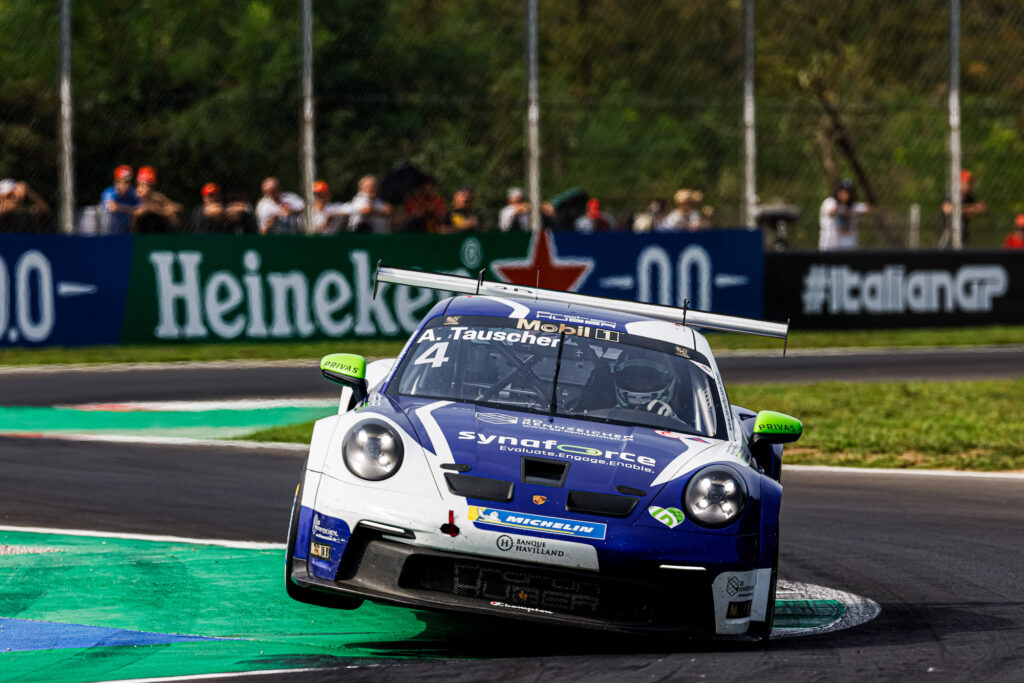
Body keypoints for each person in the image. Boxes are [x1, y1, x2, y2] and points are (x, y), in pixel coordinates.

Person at [612, 350, 677, 416]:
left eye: (649, 383)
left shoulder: (673, 418)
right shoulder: (609, 415)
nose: (640, 388)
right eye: (634, 383)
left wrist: (672, 420)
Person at [818, 178, 872, 251]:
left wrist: (859, 211)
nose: (846, 195)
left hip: (849, 248)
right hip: (829, 247)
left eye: (849, 192)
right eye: (843, 192)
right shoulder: (830, 202)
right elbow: (831, 211)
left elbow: (870, 209)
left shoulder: (854, 206)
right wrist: (850, 213)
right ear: (838, 192)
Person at [940, 169, 987, 247]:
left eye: (969, 183)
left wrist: (971, 209)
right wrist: (971, 209)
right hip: (949, 235)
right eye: (965, 183)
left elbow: (982, 208)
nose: (967, 186)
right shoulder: (951, 196)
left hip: (963, 235)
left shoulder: (969, 197)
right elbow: (947, 209)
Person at [132, 166, 183, 233]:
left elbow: (179, 208)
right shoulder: (133, 197)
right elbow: (133, 222)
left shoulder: (158, 197)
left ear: (152, 187)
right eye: (139, 185)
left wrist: (163, 211)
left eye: (144, 185)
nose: (140, 189)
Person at [100, 165, 140, 234]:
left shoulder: (132, 192)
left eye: (129, 182)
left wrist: (121, 208)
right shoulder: (109, 192)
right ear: (117, 182)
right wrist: (131, 210)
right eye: (124, 182)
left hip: (127, 232)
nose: (127, 186)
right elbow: (112, 207)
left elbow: (141, 210)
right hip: (109, 233)